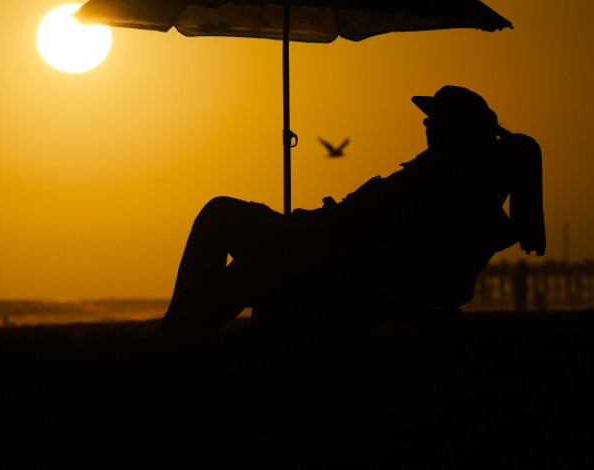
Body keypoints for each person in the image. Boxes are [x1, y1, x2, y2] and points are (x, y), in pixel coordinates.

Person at [162, 86, 545, 334]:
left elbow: (367, 229)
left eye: (433, 121)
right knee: (242, 241)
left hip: (335, 262)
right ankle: (181, 331)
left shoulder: (441, 177)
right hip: (333, 252)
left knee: (231, 229)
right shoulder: (460, 181)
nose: (426, 127)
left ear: (453, 128)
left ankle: (177, 332)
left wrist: (307, 226)